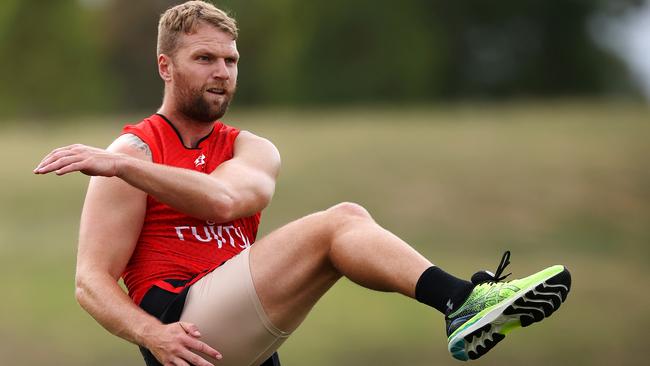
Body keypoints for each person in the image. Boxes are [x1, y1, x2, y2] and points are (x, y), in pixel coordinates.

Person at [34, 1, 571, 365]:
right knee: (339, 223)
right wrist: (151, 335)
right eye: (204, 59)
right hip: (179, 323)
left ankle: (466, 304)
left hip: (242, 330)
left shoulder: (247, 149)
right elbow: (91, 283)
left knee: (349, 223)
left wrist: (126, 168)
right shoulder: (132, 151)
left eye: (231, 60)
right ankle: (463, 301)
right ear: (165, 67)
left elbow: (226, 201)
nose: (222, 71)